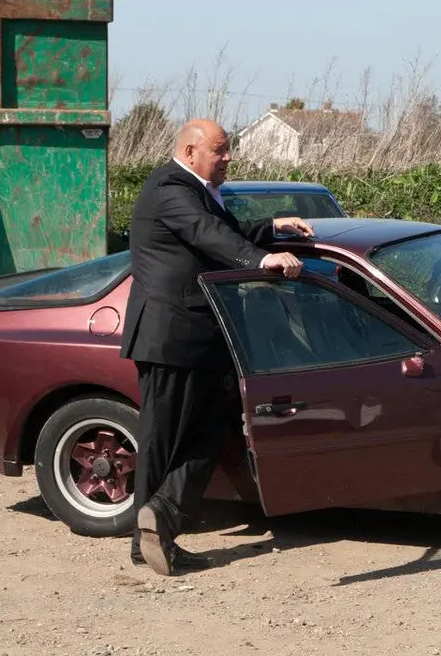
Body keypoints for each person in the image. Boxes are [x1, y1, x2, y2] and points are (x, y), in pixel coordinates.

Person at [119, 118, 313, 576]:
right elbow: (208, 234)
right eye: (220, 150)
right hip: (170, 337)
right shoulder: (169, 187)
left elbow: (225, 228)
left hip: (200, 338)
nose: (228, 158)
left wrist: (271, 227)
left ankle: (161, 521)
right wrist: (262, 259)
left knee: (206, 434)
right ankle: (145, 541)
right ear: (190, 152)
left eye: (228, 150)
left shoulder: (195, 190)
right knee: (163, 440)